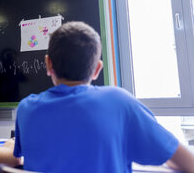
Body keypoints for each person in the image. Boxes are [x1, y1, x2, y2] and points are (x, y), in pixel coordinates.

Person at [13, 21, 194, 173]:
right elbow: (186, 162)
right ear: (97, 69)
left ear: (48, 63)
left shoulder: (26, 108)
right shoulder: (118, 102)